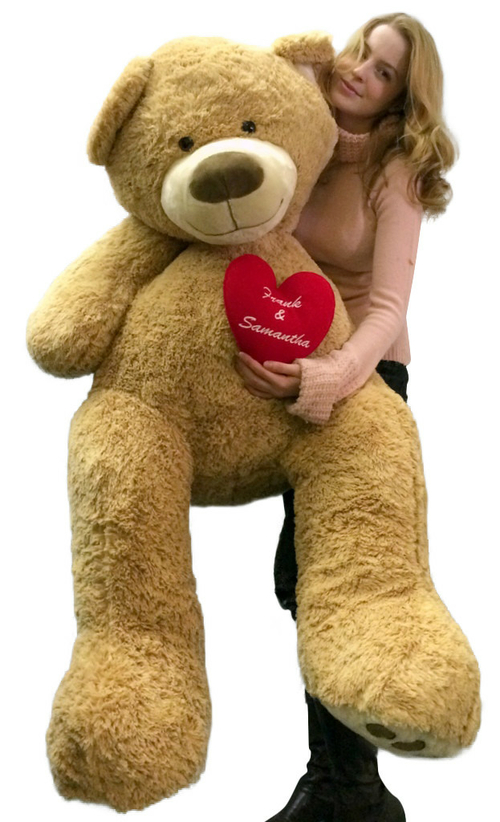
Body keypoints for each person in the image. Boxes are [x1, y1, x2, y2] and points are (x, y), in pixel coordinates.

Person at [235, 12, 457, 822]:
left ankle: (346, 788)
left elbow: (388, 305)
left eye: (385, 71)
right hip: (299, 373)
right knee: (302, 578)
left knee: (330, 578)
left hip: (365, 379)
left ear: (401, 100)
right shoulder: (305, 137)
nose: (361, 68)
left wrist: (332, 377)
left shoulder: (397, 171)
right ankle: (346, 786)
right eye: (363, 49)